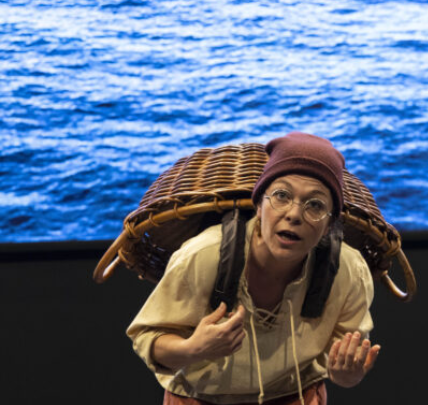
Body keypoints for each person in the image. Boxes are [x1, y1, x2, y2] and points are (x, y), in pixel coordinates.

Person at [127, 132, 380, 405]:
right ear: (259, 205)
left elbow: (345, 361)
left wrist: (347, 376)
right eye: (281, 196)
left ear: (330, 224)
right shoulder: (204, 255)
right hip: (200, 398)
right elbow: (148, 339)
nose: (294, 214)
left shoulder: (348, 270)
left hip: (295, 396)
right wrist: (193, 348)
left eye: (315, 205)